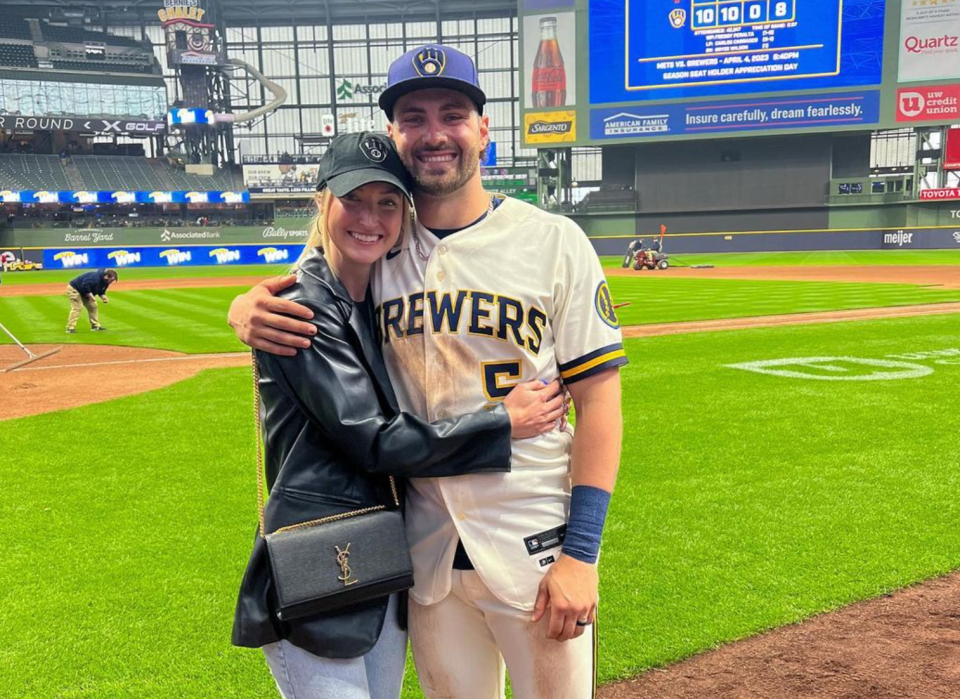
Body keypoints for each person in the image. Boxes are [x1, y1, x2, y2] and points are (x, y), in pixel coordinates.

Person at [229, 45, 627, 699]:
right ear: (394, 134)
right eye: (413, 116)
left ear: (483, 130)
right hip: (425, 557)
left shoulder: (554, 240)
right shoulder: (380, 248)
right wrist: (244, 309)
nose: (434, 132)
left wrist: (582, 554)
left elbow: (601, 404)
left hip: (535, 547)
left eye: (453, 113)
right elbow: (305, 285)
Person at [65, 268, 117, 333]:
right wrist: (91, 296)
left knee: (93, 306)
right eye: (111, 279)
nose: (112, 281)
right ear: (106, 277)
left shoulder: (106, 282)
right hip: (74, 289)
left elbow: (101, 291)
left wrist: (104, 297)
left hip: (84, 292)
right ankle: (70, 328)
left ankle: (95, 326)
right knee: (77, 308)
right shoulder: (94, 277)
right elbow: (85, 285)